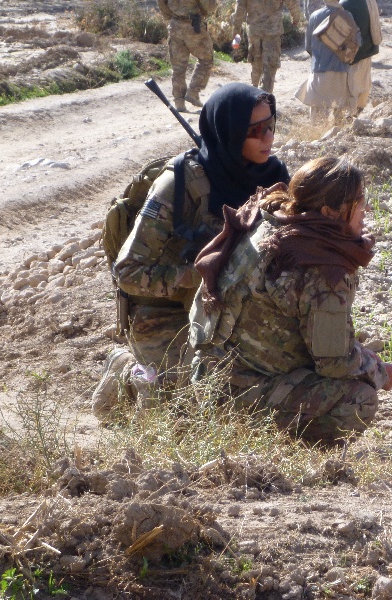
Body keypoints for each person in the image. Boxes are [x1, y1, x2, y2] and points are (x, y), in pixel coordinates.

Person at [92, 83, 290, 419]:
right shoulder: (181, 185)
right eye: (255, 131)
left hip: (226, 312)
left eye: (271, 124)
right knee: (182, 402)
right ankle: (129, 373)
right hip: (165, 313)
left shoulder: (273, 178)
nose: (268, 138)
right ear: (228, 132)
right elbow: (126, 272)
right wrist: (197, 273)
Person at [189, 157, 392, 443]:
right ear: (329, 212)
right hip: (240, 393)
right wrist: (378, 370)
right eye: (359, 201)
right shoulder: (321, 267)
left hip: (207, 373)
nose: (367, 209)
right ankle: (275, 446)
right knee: (360, 399)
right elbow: (334, 361)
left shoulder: (269, 218)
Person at [296, 0, 361, 124]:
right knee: (339, 114)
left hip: (319, 70)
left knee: (317, 114)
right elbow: (357, 42)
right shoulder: (347, 16)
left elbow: (308, 46)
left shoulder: (314, 16)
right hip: (341, 71)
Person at [157, 0, 217, 111]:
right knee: (207, 60)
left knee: (178, 67)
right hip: (193, 26)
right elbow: (209, 6)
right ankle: (193, 91)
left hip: (175, 25)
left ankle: (179, 102)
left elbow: (161, 3)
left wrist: (170, 16)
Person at [231, 0, 303, 93]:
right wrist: (296, 17)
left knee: (256, 64)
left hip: (255, 31)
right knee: (270, 66)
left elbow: (240, 8)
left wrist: (236, 29)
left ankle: (254, 93)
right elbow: (292, 2)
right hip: (272, 32)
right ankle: (265, 97)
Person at [340, 0, 382, 116]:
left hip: (351, 55)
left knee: (351, 89)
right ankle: (355, 115)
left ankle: (350, 117)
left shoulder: (345, 4)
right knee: (363, 87)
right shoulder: (369, 2)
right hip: (366, 50)